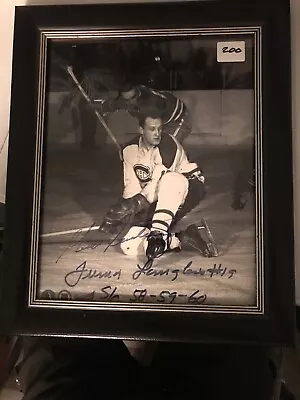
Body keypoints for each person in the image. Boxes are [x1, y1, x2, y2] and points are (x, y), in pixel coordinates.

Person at [99, 110, 214, 261]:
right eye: (152, 129)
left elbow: (157, 184)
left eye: (160, 129)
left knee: (170, 180)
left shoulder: (168, 146)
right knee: (129, 245)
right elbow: (131, 187)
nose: (157, 133)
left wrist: (135, 204)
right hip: (157, 196)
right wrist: (124, 212)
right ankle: (181, 237)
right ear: (141, 130)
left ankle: (158, 233)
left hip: (188, 186)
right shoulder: (129, 150)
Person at [95, 84, 192, 144]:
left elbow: (152, 129)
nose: (130, 102)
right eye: (127, 100)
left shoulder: (151, 105)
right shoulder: (127, 98)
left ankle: (187, 170)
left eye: (133, 98)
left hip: (178, 119)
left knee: (168, 147)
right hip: (161, 118)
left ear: (138, 95)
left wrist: (132, 145)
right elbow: (115, 104)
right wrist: (100, 107)